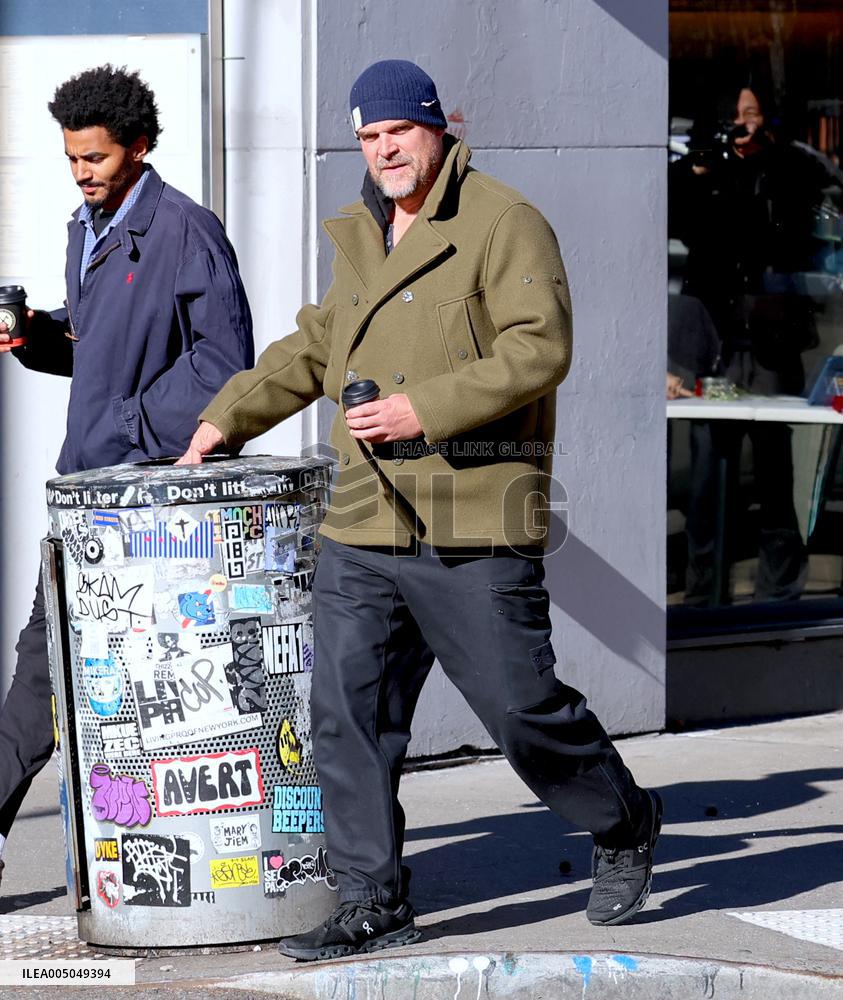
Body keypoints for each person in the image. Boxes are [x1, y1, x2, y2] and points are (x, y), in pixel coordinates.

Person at [180, 59, 661, 959]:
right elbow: (316, 344)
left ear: (441, 127)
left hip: (470, 517)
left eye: (399, 129)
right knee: (346, 715)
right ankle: (370, 897)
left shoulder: (503, 221)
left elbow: (539, 348)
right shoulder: (361, 233)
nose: (384, 148)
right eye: (368, 135)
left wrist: (422, 408)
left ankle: (622, 817)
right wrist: (222, 418)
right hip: (362, 521)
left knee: (522, 710)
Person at [0, 64, 254, 885]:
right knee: (40, 676)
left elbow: (225, 366)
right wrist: (39, 334)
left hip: (156, 513)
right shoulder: (89, 229)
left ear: (139, 148)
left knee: (158, 702)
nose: (82, 173)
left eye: (97, 159)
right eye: (73, 158)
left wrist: (127, 426)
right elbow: (98, 347)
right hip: (85, 498)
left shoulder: (186, 230)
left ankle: (178, 875)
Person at [668, 80, 842, 603]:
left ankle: (780, 590)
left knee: (773, 469)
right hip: (716, 342)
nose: (746, 124)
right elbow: (672, 211)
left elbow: (816, 186)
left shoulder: (786, 167)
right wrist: (706, 161)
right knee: (707, 474)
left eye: (754, 113)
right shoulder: (702, 171)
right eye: (737, 116)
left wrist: (766, 154)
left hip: (768, 342)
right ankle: (703, 592)